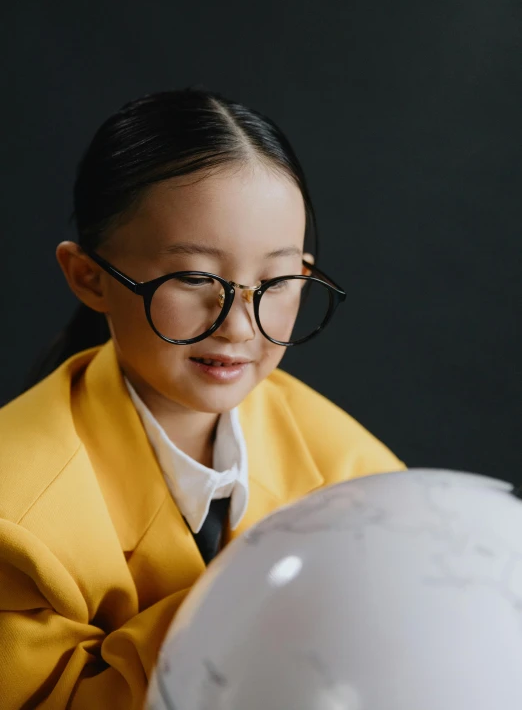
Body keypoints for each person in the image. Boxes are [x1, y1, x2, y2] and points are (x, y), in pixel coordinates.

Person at [0, 88, 404, 709]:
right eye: (192, 277)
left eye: (276, 281)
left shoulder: (358, 480)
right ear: (90, 277)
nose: (239, 326)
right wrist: (264, 609)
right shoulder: (15, 516)